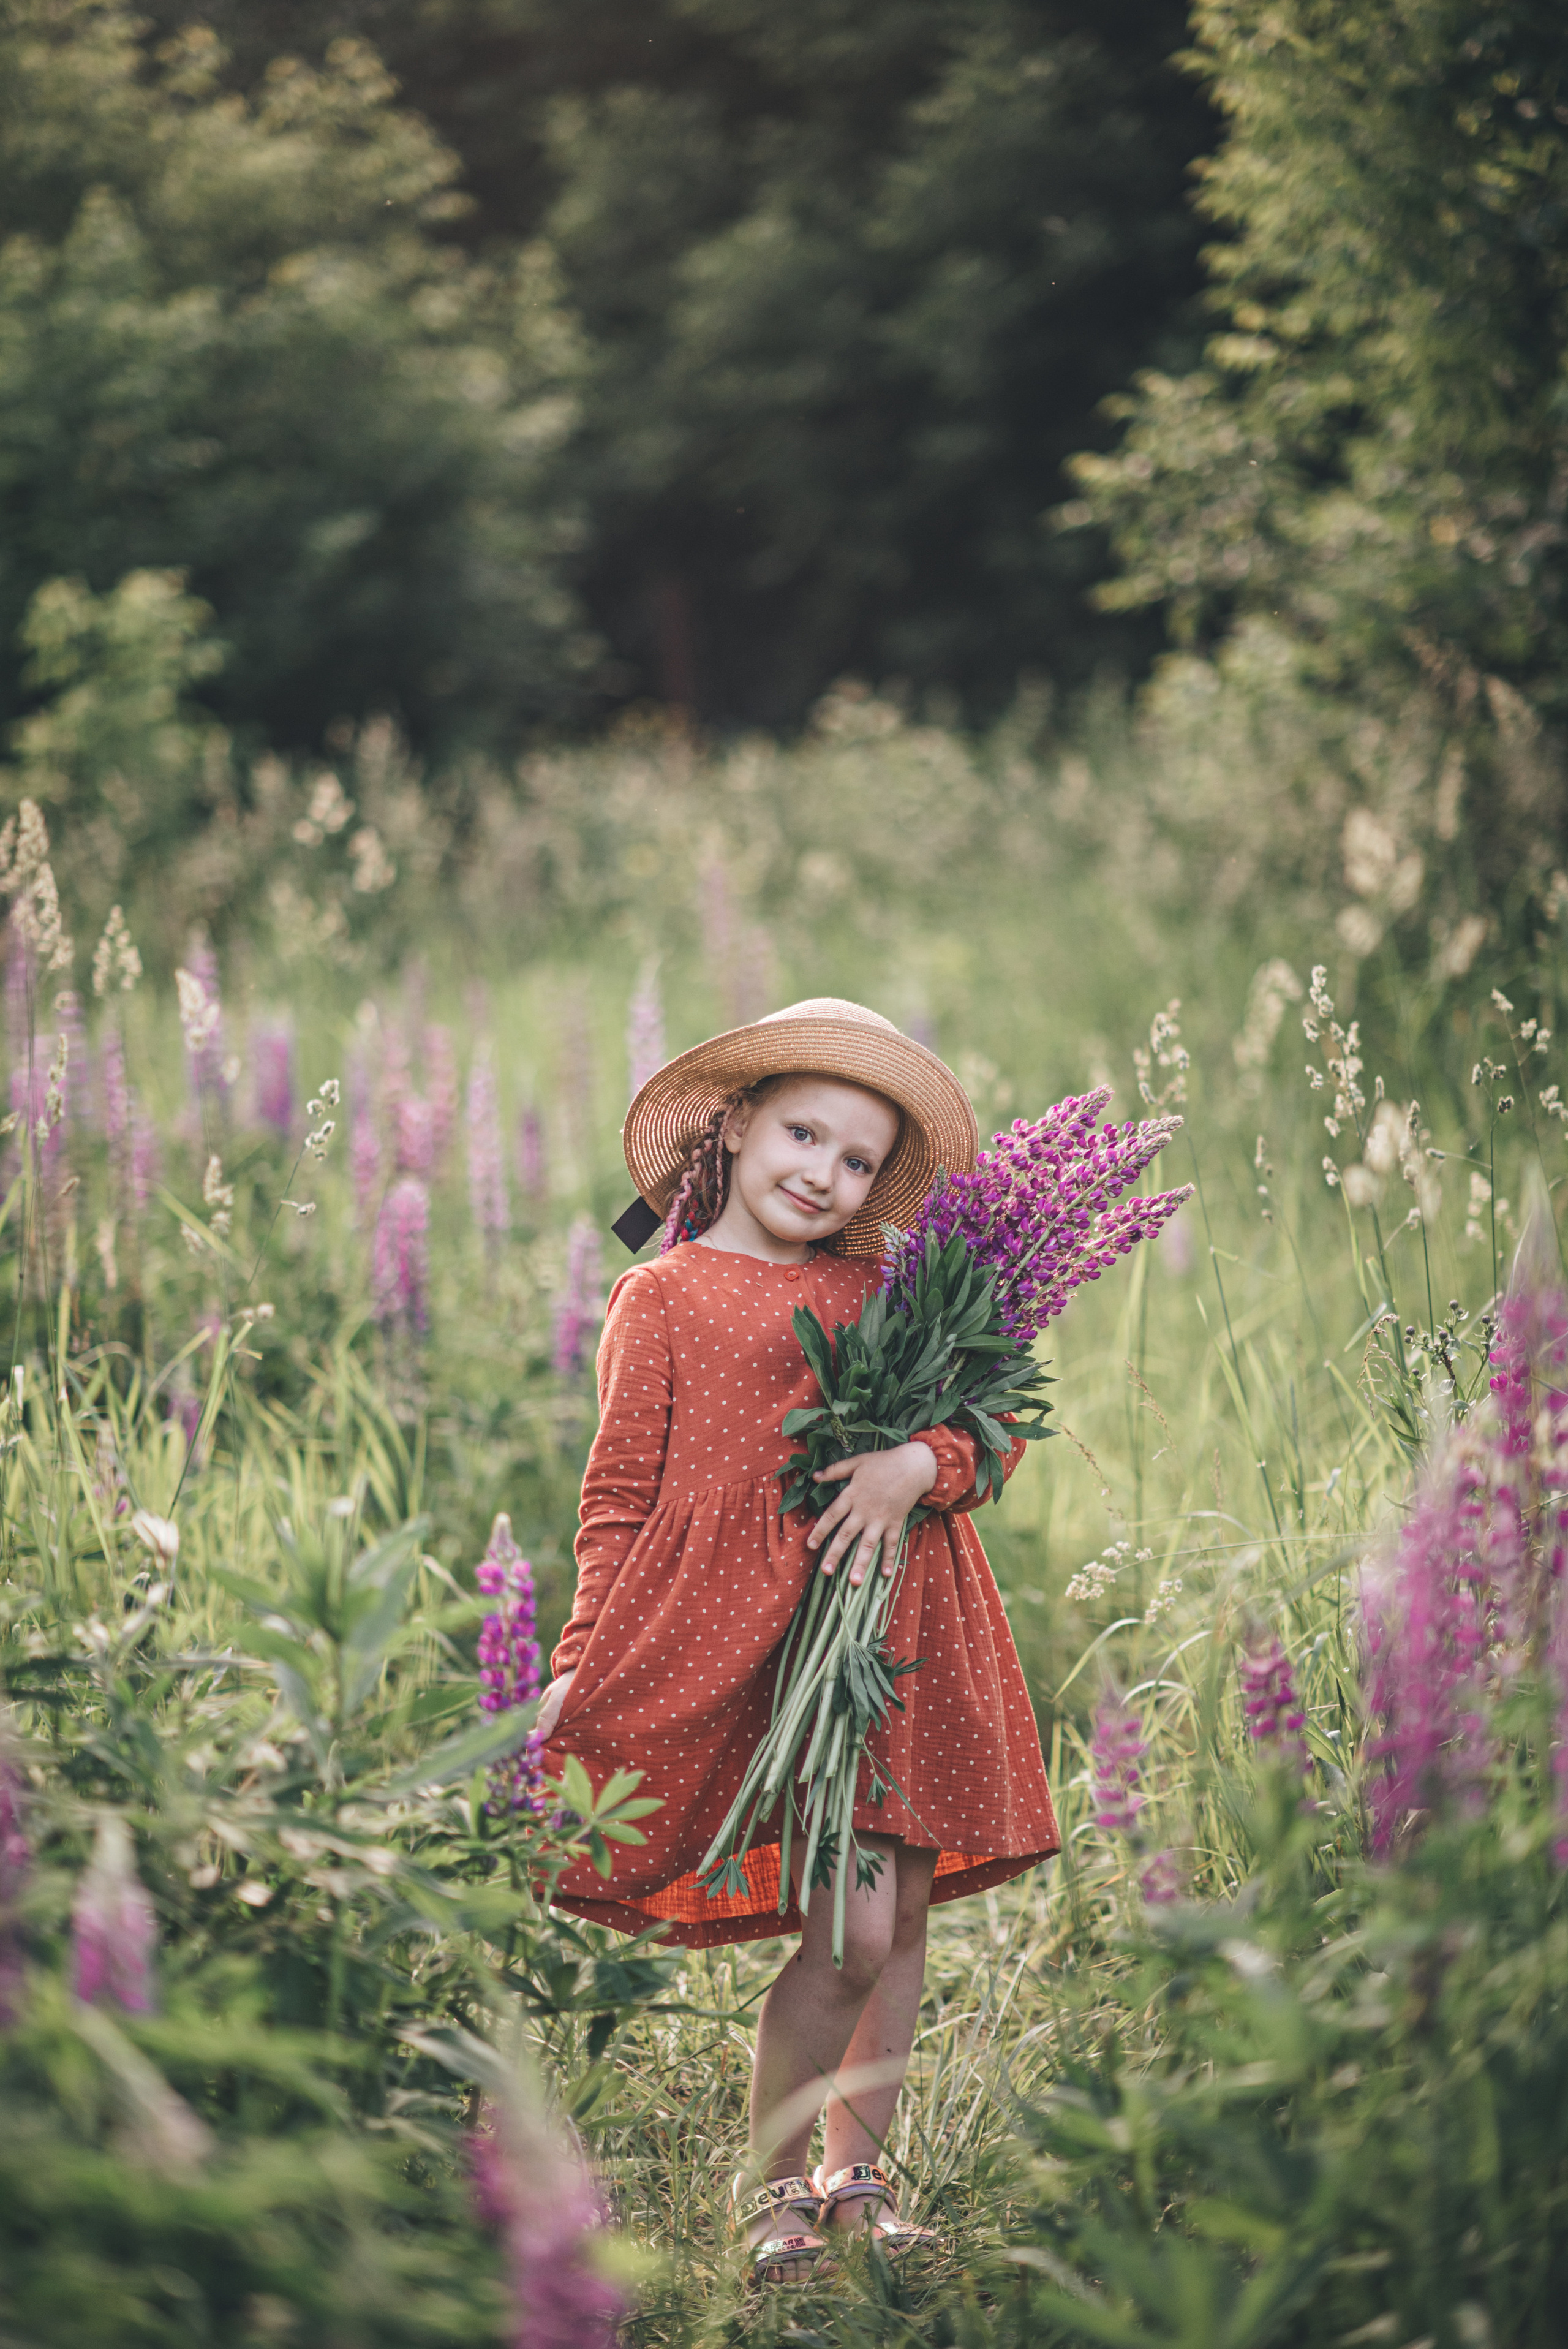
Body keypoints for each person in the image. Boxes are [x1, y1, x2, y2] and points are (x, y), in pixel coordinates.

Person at [536, 998, 1059, 2287]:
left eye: (855, 1161)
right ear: (733, 1125)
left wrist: (908, 1469)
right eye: (802, 1135)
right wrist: (574, 1657)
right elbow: (616, 1500)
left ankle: (855, 2178)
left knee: (896, 1915)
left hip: (902, 1616)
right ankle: (773, 2191)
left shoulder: (881, 1286)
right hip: (748, 1636)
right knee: (848, 1935)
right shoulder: (656, 1294)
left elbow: (993, 1436)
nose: (821, 1174)